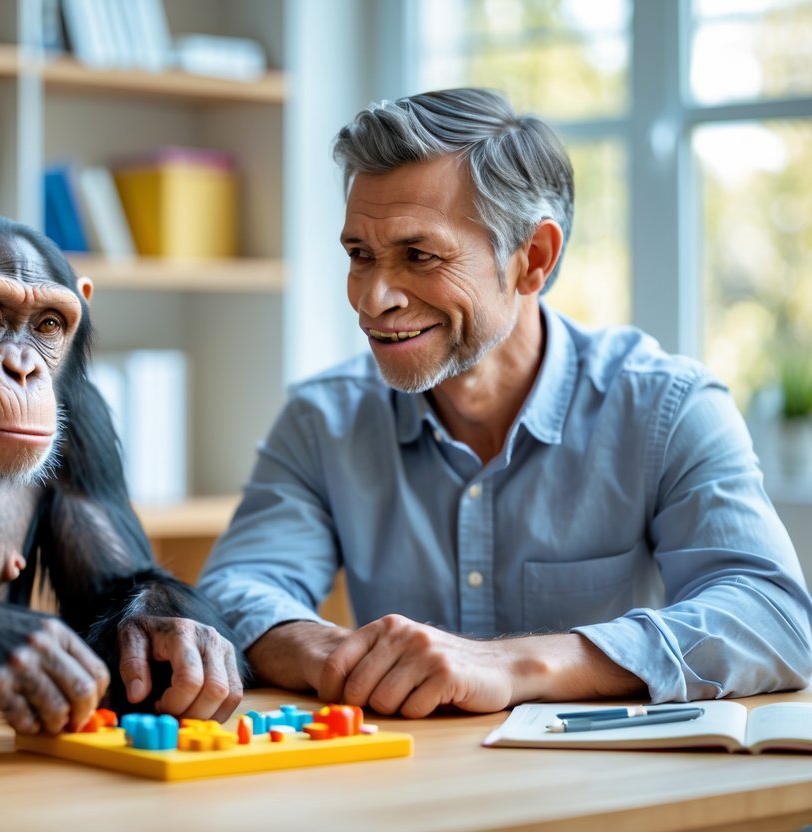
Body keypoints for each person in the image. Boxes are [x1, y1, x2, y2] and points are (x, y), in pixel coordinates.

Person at [196, 88, 812, 718]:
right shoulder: (323, 419)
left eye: (419, 255)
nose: (372, 298)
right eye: (360, 255)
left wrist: (511, 664)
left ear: (533, 259)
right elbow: (234, 591)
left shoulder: (667, 407)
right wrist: (342, 656)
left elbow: (770, 616)